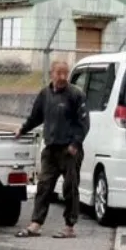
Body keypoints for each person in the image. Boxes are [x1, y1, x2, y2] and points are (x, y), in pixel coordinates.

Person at [15, 60, 90, 239]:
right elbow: (36, 117)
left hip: (69, 150)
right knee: (44, 186)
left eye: (66, 73)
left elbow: (84, 124)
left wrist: (75, 144)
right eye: (59, 73)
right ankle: (36, 223)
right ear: (52, 74)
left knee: (70, 187)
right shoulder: (45, 94)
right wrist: (22, 129)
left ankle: (69, 226)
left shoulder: (75, 95)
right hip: (51, 149)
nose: (63, 77)